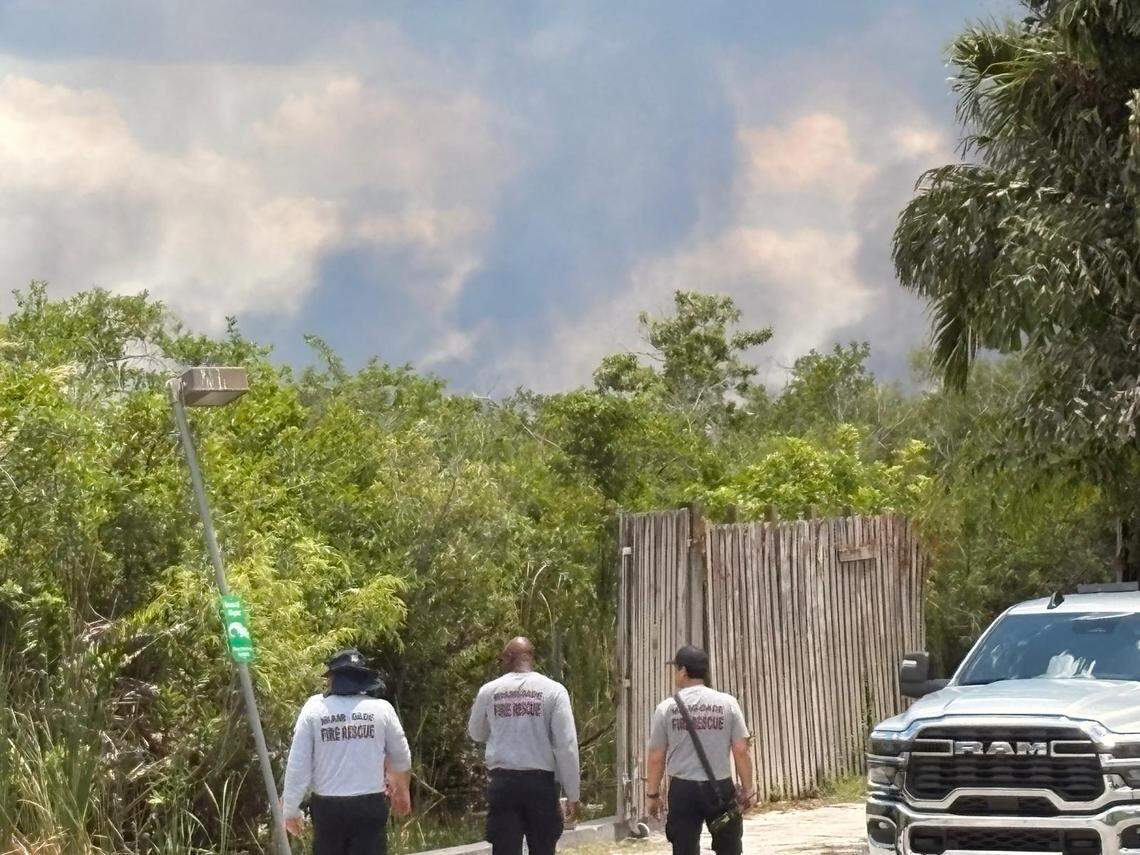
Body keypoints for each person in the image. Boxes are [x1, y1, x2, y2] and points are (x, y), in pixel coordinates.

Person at [281, 648, 413, 855]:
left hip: (328, 809)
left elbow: (299, 765)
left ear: (332, 679)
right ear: (363, 678)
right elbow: (401, 757)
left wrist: (290, 810)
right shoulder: (382, 709)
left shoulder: (314, 709)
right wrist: (402, 791)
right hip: (370, 804)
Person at [467, 637, 580, 855]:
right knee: (543, 848)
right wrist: (573, 795)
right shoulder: (554, 691)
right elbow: (566, 746)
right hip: (541, 785)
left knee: (505, 849)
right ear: (531, 658)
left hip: (503, 785)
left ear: (508, 658)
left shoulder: (489, 691)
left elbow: (476, 733)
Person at [645, 645, 754, 855]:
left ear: (684, 671)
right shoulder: (727, 703)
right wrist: (748, 790)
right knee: (729, 848)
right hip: (719, 788)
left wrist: (652, 794)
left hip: (683, 791)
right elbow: (741, 749)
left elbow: (656, 757)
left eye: (676, 669)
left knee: (684, 849)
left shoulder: (666, 708)